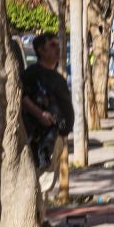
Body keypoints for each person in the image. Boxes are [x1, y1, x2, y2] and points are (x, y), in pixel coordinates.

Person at [19, 32, 75, 191]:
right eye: (52, 45)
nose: (58, 49)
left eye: (58, 45)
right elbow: (21, 97)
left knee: (46, 186)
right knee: (38, 184)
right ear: (40, 50)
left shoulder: (57, 77)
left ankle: (40, 214)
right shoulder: (31, 74)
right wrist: (39, 114)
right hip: (39, 141)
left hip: (56, 138)